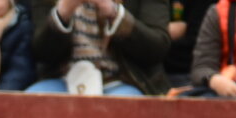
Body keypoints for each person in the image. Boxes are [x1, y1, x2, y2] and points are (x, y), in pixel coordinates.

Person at [27, 0, 171, 95]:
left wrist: (114, 13)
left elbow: (157, 50)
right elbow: (40, 53)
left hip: (123, 81)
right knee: (26, 108)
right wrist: (62, 13)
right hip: (62, 80)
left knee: (124, 114)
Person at [162, 0, 215, 86]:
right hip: (147, 71)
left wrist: (158, 35)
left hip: (185, 73)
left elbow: (195, 49)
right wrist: (163, 31)